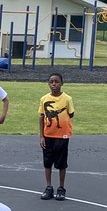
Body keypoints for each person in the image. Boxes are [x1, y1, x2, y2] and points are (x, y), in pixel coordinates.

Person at [38, 72, 73, 200]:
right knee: (47, 162)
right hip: (48, 136)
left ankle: (61, 187)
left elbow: (71, 114)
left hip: (62, 136)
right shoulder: (44, 99)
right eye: (51, 81)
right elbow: (42, 117)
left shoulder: (67, 99)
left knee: (61, 163)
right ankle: (48, 187)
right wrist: (42, 136)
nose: (54, 84)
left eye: (56, 81)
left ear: (62, 83)